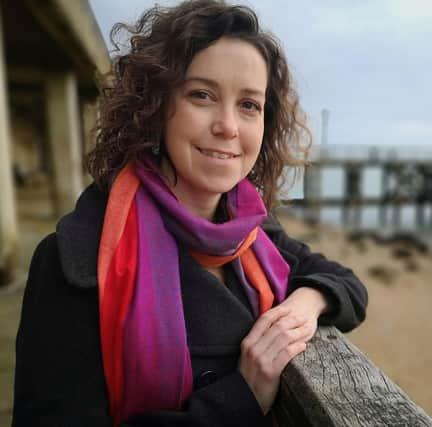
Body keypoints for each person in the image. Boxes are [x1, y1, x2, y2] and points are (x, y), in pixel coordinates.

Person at [11, 1, 367, 425]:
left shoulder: (255, 233)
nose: (228, 126)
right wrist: (244, 395)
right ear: (156, 106)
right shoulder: (74, 261)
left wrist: (304, 306)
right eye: (202, 95)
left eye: (249, 104)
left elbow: (348, 287)